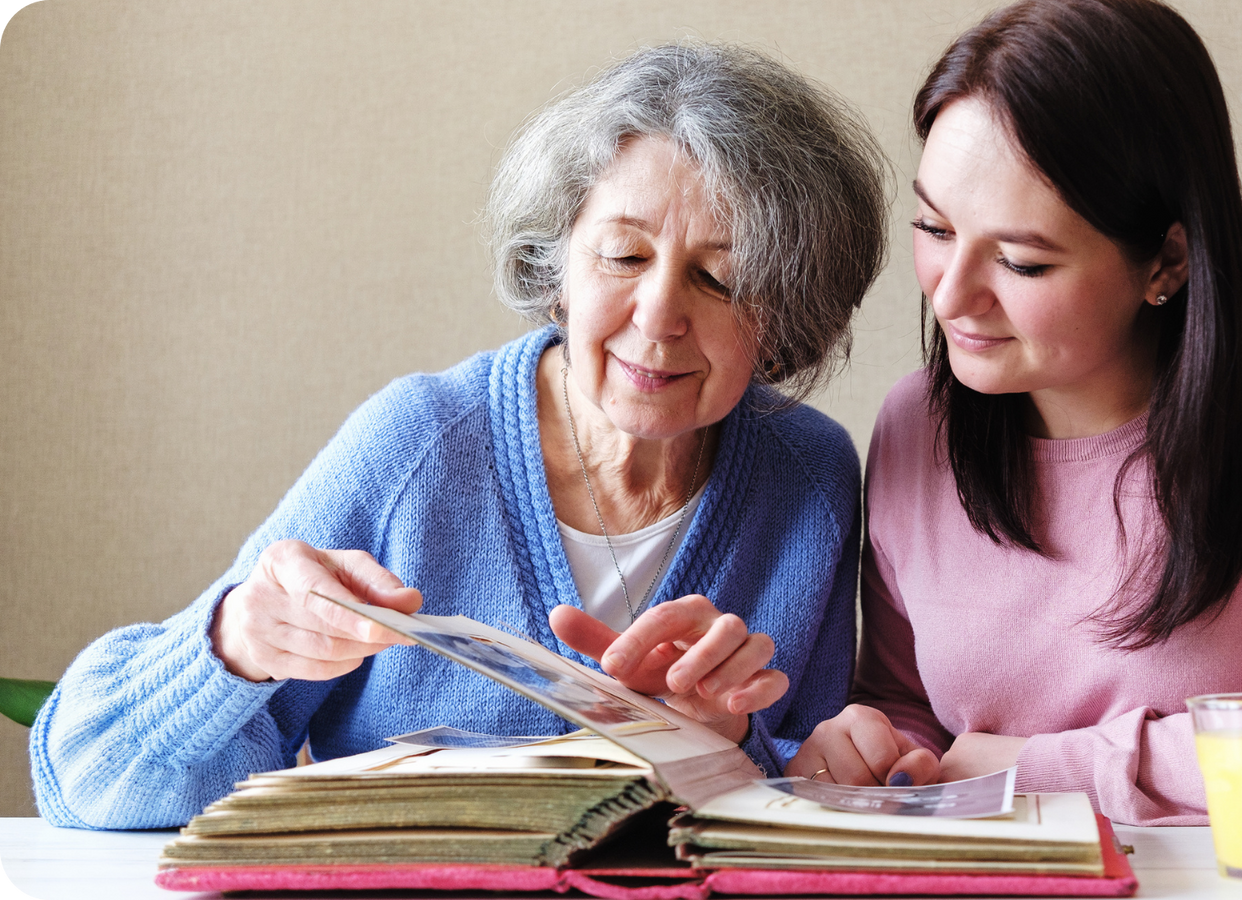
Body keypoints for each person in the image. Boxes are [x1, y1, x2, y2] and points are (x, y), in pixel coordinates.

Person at [32, 42, 889, 830]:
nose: (660, 316)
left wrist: (722, 747)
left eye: (719, 278)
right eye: (623, 258)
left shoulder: (807, 474)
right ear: (556, 271)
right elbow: (88, 784)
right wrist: (232, 645)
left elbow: (798, 802)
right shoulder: (417, 445)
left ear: (785, 317)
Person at [788, 0, 1242, 826]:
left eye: (1021, 261)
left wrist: (1048, 769)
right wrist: (871, 746)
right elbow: (918, 719)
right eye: (935, 227)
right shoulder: (918, 426)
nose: (951, 297)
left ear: (1166, 259)